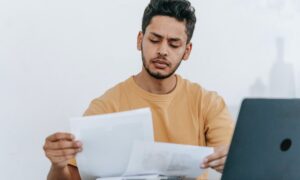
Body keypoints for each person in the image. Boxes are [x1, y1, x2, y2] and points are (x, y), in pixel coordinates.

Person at [43, 0, 234, 179]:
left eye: (174, 44)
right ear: (140, 40)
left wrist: (233, 160)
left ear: (187, 51)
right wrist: (58, 166)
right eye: (154, 40)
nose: (163, 51)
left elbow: (237, 164)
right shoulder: (106, 107)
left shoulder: (207, 103)